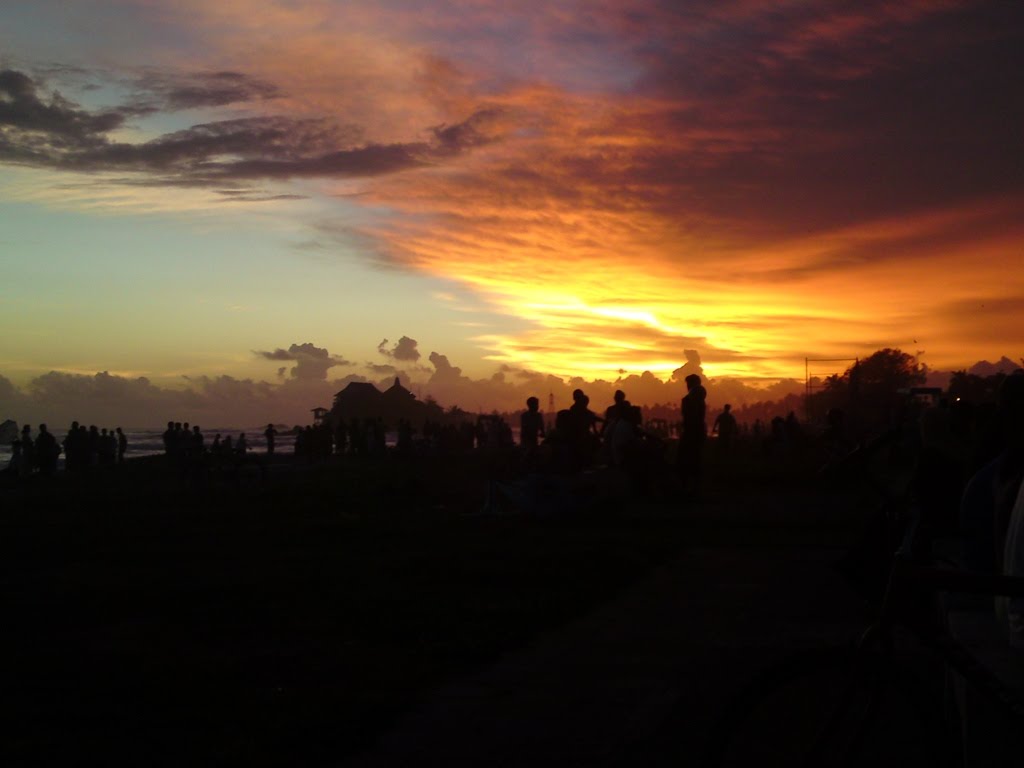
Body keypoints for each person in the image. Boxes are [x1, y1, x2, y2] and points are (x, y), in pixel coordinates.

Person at [679, 374, 707, 495]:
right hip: (696, 432)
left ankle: (687, 486)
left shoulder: (692, 398)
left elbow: (689, 417)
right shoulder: (699, 397)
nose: (687, 386)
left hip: (691, 432)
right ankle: (694, 486)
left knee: (687, 459)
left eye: (688, 383)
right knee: (694, 459)